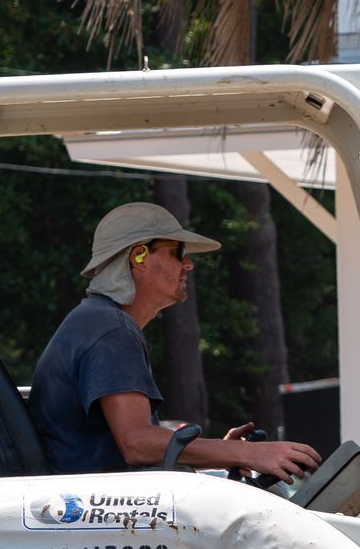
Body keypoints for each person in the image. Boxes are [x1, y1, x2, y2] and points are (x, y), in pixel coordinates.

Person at [30, 201, 322, 483]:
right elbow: (138, 443)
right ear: (139, 257)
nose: (189, 264)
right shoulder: (111, 331)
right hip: (95, 523)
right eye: (178, 252)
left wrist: (224, 453)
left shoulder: (96, 322)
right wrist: (248, 452)